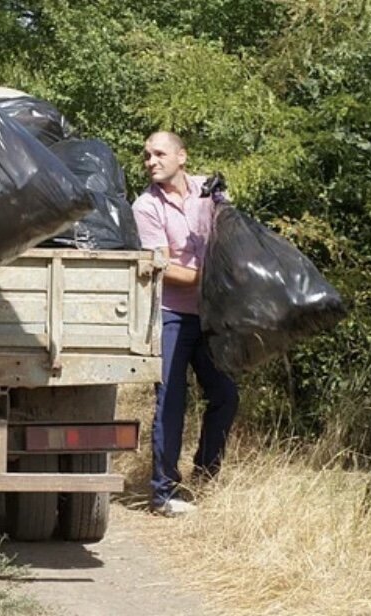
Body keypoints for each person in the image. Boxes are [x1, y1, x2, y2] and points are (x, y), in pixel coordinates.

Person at [131, 131, 239, 517]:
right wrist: (208, 276)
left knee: (225, 395)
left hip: (212, 314)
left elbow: (231, 238)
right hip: (172, 314)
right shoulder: (145, 206)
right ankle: (162, 493)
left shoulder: (209, 192)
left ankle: (206, 476)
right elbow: (162, 269)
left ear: (182, 157)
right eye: (147, 156)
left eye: (159, 154)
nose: (151, 161)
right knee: (171, 403)